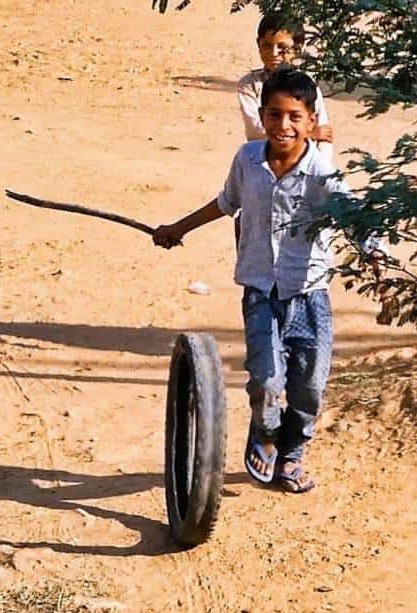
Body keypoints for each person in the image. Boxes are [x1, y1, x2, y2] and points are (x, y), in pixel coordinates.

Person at [153, 68, 383, 494]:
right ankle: (265, 431)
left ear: (311, 121)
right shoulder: (247, 161)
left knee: (309, 387)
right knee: (265, 379)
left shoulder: (320, 173)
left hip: (308, 293)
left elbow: (354, 216)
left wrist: (375, 256)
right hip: (260, 289)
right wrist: (178, 228)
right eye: (275, 115)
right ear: (262, 116)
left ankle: (292, 453)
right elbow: (225, 203)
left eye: (295, 116)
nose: (284, 126)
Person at [237, 14, 334, 161]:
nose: (274, 53)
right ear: (258, 44)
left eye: (282, 48)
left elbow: (324, 134)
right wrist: (307, 134)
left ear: (298, 48)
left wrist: (322, 173)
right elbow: (255, 131)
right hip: (263, 163)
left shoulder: (307, 86)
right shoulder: (250, 85)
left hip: (305, 165)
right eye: (267, 45)